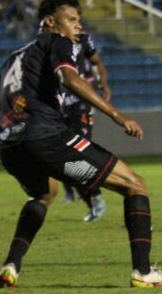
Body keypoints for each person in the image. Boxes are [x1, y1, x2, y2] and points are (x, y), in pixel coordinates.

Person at [0, 0, 162, 287]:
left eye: (79, 22)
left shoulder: (14, 57)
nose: (78, 28)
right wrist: (117, 115)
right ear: (50, 21)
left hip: (10, 145)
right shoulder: (57, 41)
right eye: (71, 20)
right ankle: (143, 271)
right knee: (135, 184)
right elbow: (71, 79)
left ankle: (11, 265)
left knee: (45, 194)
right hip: (45, 136)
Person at [60, 32, 111, 222]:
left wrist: (103, 83)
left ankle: (94, 196)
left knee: (80, 151)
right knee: (63, 156)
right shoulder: (50, 43)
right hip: (58, 106)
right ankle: (89, 197)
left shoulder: (83, 39)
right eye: (72, 19)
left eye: (78, 19)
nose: (77, 24)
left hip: (81, 104)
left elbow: (96, 62)